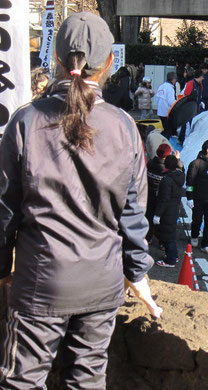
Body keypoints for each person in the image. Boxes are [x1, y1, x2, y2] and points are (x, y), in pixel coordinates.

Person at [0, 12, 159, 389]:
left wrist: (3, 265)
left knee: (21, 381)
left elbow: (5, 209)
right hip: (102, 285)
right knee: (87, 381)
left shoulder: (25, 122)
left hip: (41, 282)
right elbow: (133, 211)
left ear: (56, 60)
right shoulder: (123, 126)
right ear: (108, 64)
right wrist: (138, 273)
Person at [154, 152, 185, 267]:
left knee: (167, 236)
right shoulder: (180, 175)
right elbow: (182, 168)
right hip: (174, 208)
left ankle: (171, 259)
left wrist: (157, 214)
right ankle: (173, 256)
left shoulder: (166, 180)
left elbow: (164, 199)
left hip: (167, 211)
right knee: (170, 234)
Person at [146, 143, 173, 242]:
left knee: (148, 216)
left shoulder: (150, 163)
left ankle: (147, 237)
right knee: (161, 218)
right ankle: (161, 241)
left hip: (149, 194)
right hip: (161, 197)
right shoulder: (166, 169)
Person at [178, 69, 204, 145]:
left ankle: (182, 139)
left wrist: (201, 102)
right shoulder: (190, 84)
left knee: (189, 123)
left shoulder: (200, 85)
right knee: (186, 125)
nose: (203, 78)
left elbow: (200, 95)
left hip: (195, 107)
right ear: (199, 77)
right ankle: (185, 141)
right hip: (188, 107)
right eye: (202, 77)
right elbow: (186, 95)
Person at [155, 71, 178, 139]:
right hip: (166, 112)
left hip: (160, 112)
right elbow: (171, 101)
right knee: (168, 131)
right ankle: (166, 145)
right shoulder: (170, 88)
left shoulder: (161, 86)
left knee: (165, 128)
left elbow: (157, 98)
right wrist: (177, 103)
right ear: (173, 79)